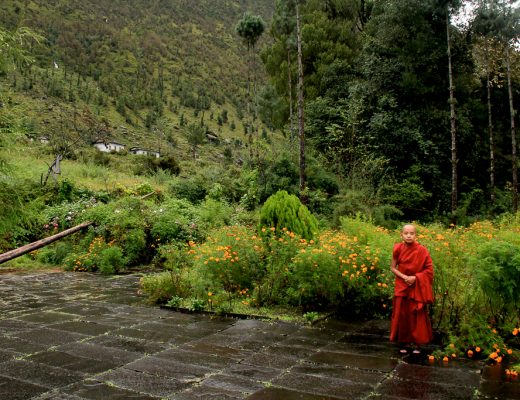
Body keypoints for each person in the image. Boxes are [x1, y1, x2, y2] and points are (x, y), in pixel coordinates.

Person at [390, 224, 434, 354]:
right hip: (402, 284)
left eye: (412, 233)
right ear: (401, 235)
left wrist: (415, 278)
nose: (409, 235)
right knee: (402, 314)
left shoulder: (422, 250)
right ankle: (403, 342)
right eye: (406, 233)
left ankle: (417, 344)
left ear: (416, 235)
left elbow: (429, 270)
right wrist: (405, 277)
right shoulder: (398, 248)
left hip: (416, 285)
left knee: (416, 314)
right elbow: (392, 267)